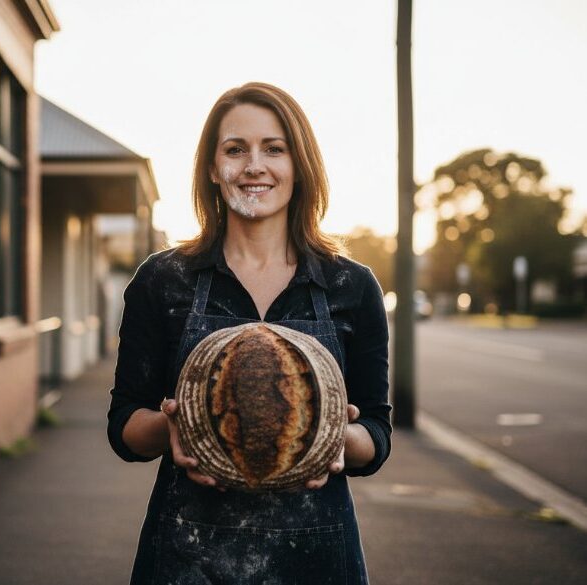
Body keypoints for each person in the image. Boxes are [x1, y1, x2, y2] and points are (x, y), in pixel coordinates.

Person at [107, 82, 391, 584]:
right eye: (235, 149)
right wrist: (173, 427)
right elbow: (125, 427)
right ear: (213, 169)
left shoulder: (352, 285)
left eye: (274, 149)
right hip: (186, 557)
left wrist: (334, 438)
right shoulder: (164, 280)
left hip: (316, 558)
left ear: (298, 165)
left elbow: (377, 434)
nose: (254, 165)